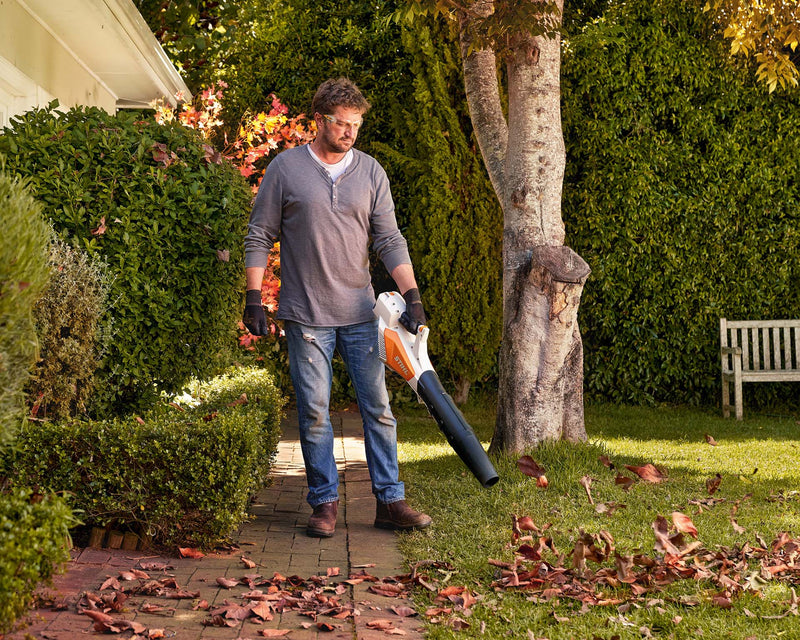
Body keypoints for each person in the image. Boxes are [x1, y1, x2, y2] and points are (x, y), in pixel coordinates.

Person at [242, 77, 432, 538]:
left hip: (362, 315)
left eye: (356, 125)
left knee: (379, 409)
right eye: (341, 124)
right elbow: (259, 235)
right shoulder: (285, 170)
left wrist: (413, 296)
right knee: (313, 412)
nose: (349, 133)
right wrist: (252, 297)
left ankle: (390, 502)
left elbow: (389, 239)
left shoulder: (370, 172)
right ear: (320, 121)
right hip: (305, 314)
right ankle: (324, 503)